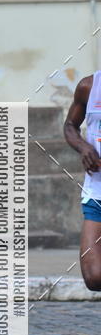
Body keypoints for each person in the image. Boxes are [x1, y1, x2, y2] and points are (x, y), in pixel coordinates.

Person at [64, 72, 101, 290]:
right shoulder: (88, 86)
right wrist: (84, 147)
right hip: (97, 193)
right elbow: (70, 125)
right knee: (94, 277)